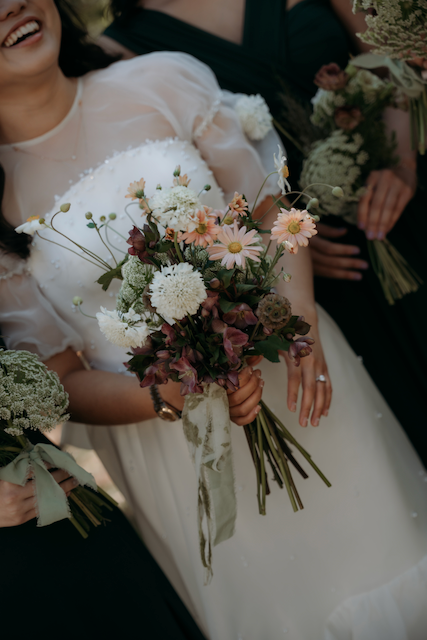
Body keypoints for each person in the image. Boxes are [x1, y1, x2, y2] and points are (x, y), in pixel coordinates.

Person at [1, 1, 427, 638]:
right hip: (176, 449)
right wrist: (168, 395)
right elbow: (57, 376)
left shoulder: (163, 80)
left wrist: (295, 317)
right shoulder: (0, 200)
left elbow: (265, 210)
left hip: (297, 369)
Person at [101, 0, 427, 468]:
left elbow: (398, 53)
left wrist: (401, 162)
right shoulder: (118, 51)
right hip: (325, 284)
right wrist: (282, 252)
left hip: (404, 202)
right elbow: (183, 190)